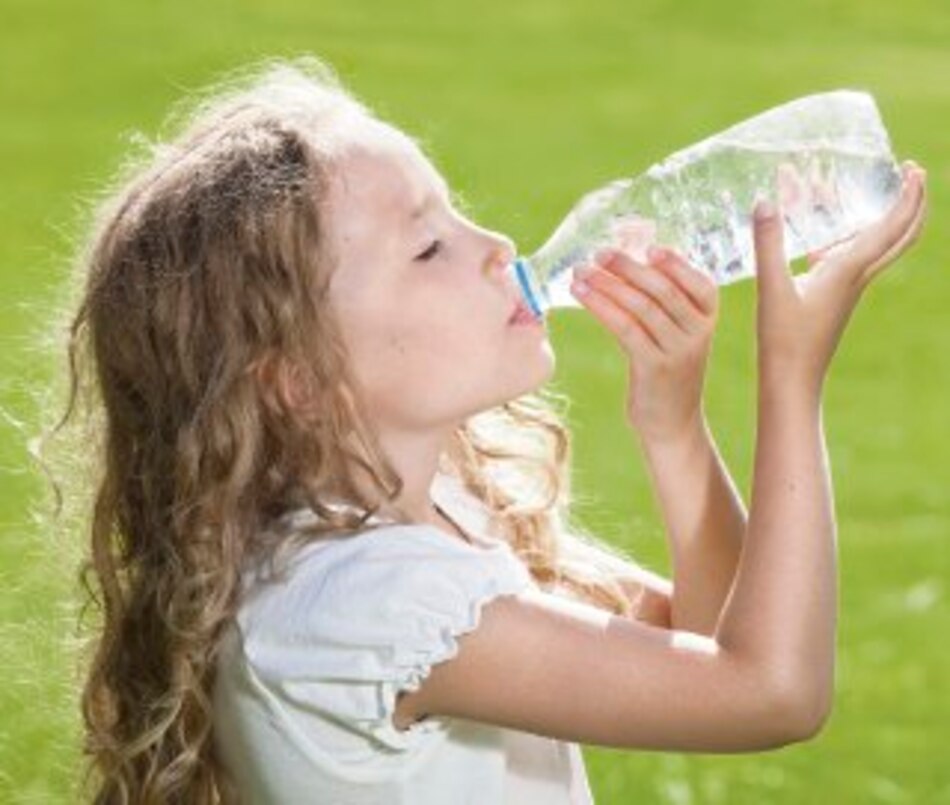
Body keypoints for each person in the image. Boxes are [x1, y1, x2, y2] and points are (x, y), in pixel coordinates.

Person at [47, 56, 927, 803]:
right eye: (429, 247)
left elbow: (703, 633)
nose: (498, 244)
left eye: (455, 211)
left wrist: (673, 425)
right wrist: (791, 375)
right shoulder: (363, 602)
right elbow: (771, 692)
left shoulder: (428, 514)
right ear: (297, 380)